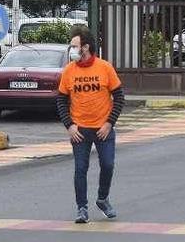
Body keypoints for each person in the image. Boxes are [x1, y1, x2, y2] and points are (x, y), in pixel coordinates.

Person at [56, 26, 125, 224]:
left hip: (103, 129)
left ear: (85, 47)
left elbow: (119, 96)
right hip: (80, 130)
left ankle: (103, 198)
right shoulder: (69, 71)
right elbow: (61, 100)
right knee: (80, 169)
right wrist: (69, 125)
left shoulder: (104, 67)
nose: (72, 50)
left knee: (108, 164)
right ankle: (82, 208)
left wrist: (109, 123)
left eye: (75, 46)